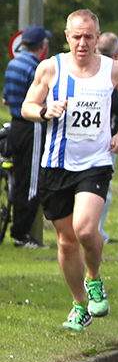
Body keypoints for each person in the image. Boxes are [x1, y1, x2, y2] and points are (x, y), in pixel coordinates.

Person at [22, 10, 118, 331]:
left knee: (86, 230)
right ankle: (78, 305)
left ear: (98, 37)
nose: (83, 43)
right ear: (67, 36)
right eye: (77, 36)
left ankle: (94, 278)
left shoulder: (113, 69)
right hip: (56, 164)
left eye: (89, 36)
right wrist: (46, 110)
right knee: (66, 242)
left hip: (95, 164)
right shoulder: (51, 68)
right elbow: (27, 107)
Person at [5, 25, 49, 249]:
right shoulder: (37, 68)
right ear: (43, 46)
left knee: (20, 176)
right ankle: (22, 234)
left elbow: (6, 98)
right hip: (32, 125)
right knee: (31, 183)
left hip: (15, 125)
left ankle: (18, 227)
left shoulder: (13, 64)